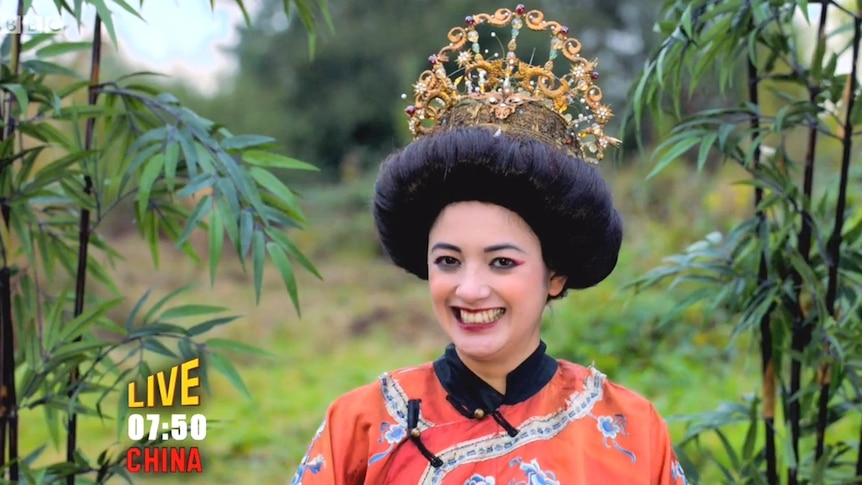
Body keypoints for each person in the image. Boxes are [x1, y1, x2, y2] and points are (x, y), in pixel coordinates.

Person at [290, 5, 690, 484]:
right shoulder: (359, 427)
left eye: (502, 262)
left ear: (554, 274)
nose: (471, 289)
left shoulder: (630, 431)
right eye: (448, 261)